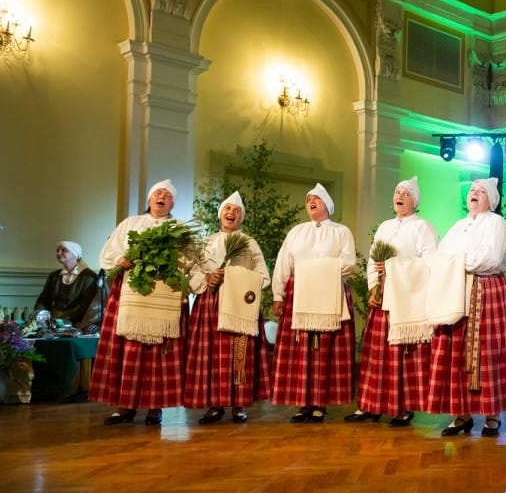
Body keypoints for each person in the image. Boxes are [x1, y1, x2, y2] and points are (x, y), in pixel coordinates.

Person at [426, 177, 506, 437]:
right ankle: (462, 414)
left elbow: (489, 258)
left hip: (486, 290)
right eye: (472, 190)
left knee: (487, 352)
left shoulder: (496, 223)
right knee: (457, 353)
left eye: (481, 191)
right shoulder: (459, 226)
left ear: (490, 199)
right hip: (455, 290)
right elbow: (441, 255)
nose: (474, 193)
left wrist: (457, 262)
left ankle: (493, 414)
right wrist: (457, 262)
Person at [90, 180, 190, 427]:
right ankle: (125, 407)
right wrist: (121, 260)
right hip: (132, 295)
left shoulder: (179, 229)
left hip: (164, 297)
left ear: (173, 202)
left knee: (158, 356)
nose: (162, 196)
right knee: (129, 350)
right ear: (149, 199)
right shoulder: (131, 224)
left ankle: (155, 410)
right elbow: (109, 252)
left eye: (167, 194)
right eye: (158, 192)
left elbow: (190, 259)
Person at [346, 178, 439, 427]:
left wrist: (396, 269)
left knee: (402, 356)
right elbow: (372, 259)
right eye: (397, 192)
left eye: (406, 193)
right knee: (376, 354)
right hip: (384, 295)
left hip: (407, 298)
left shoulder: (423, 227)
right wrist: (373, 286)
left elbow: (431, 263)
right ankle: (371, 404)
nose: (400, 196)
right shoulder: (385, 226)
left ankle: (403, 407)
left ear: (415, 201)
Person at [183, 191, 271, 425]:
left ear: (241, 217)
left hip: (240, 304)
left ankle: (239, 403)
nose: (231, 212)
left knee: (238, 353)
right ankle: (214, 404)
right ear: (220, 214)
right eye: (227, 209)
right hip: (210, 304)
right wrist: (207, 278)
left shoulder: (249, 243)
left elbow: (263, 276)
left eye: (236, 210)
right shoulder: (207, 242)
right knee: (211, 354)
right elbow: (193, 273)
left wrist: (234, 277)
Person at [271, 183, 357, 423]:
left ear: (327, 205)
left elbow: (349, 262)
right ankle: (303, 403)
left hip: (330, 292)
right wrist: (278, 294)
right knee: (301, 349)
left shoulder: (341, 231)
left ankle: (320, 403)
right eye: (308, 198)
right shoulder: (297, 231)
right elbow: (283, 262)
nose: (311, 201)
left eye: (316, 198)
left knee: (325, 349)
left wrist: (319, 270)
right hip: (299, 293)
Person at [33, 241, 102, 334]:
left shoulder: (88, 276)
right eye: (57, 250)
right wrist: (40, 316)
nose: (58, 253)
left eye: (64, 250)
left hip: (77, 323)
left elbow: (84, 306)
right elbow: (44, 299)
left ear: (74, 254)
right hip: (53, 321)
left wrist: (62, 319)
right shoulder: (54, 276)